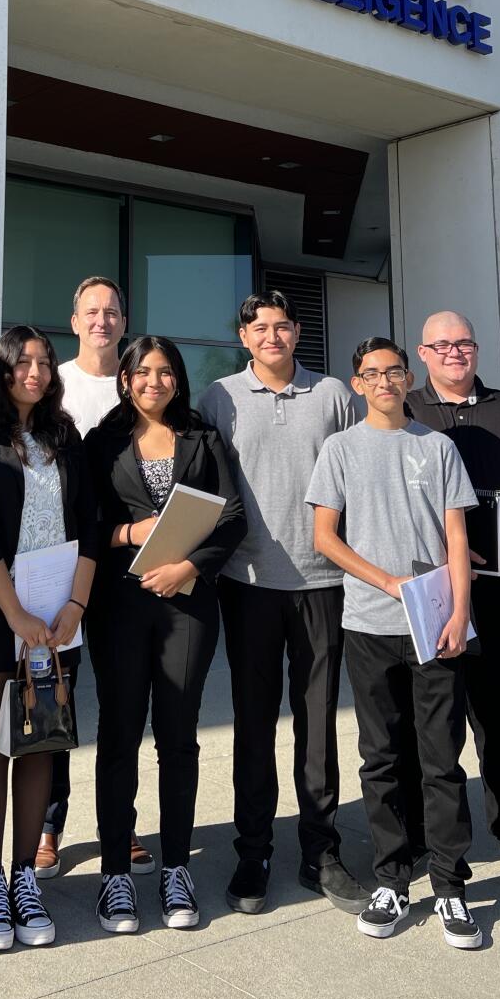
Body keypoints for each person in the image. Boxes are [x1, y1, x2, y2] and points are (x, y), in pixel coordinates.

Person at [308, 336, 484, 951]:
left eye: (392, 372)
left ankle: (449, 884)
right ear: (357, 384)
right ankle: (392, 878)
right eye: (370, 374)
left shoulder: (437, 447)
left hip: (434, 623)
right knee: (380, 757)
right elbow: (324, 536)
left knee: (441, 758)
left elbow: (457, 536)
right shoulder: (339, 449)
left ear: (408, 378)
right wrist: (385, 581)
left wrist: (460, 611)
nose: (383, 381)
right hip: (369, 623)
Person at [198, 290, 360, 916]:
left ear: (297, 333)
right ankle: (253, 850)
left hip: (323, 582)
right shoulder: (219, 399)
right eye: (260, 327)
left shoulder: (334, 397)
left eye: (283, 326)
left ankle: (321, 850)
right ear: (244, 337)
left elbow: (356, 478)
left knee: (318, 724)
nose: (273, 336)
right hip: (248, 584)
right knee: (254, 723)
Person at [84, 335, 245, 934]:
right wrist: (131, 535)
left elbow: (232, 515)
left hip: (188, 603)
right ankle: (115, 875)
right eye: (143, 372)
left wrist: (189, 566)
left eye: (165, 372)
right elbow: (87, 525)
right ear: (125, 379)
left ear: (178, 379)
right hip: (120, 607)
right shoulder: (101, 444)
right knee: (119, 734)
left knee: (178, 736)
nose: (155, 381)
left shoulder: (203, 439)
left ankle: (176, 866)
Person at [404, 310, 500, 900]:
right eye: (441, 345)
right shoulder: (411, 408)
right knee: (429, 735)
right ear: (423, 353)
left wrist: (486, 547)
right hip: (433, 595)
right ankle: (427, 841)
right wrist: (451, 559)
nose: (454, 352)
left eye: (463, 343)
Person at [0, 326, 98, 951]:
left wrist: (76, 604)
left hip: (59, 615)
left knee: (40, 742)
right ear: (1, 369)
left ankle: (24, 880)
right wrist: (13, 613)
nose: (34, 372)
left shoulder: (68, 439)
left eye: (43, 362)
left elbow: (92, 525)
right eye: (22, 362)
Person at [38, 276, 153, 879]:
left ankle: (121, 821)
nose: (102, 320)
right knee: (55, 697)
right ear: (75, 319)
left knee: (121, 702)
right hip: (64, 563)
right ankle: (47, 825)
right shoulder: (53, 383)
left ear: (123, 321)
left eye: (112, 311)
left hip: (129, 566)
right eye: (92, 311)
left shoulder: (139, 383)